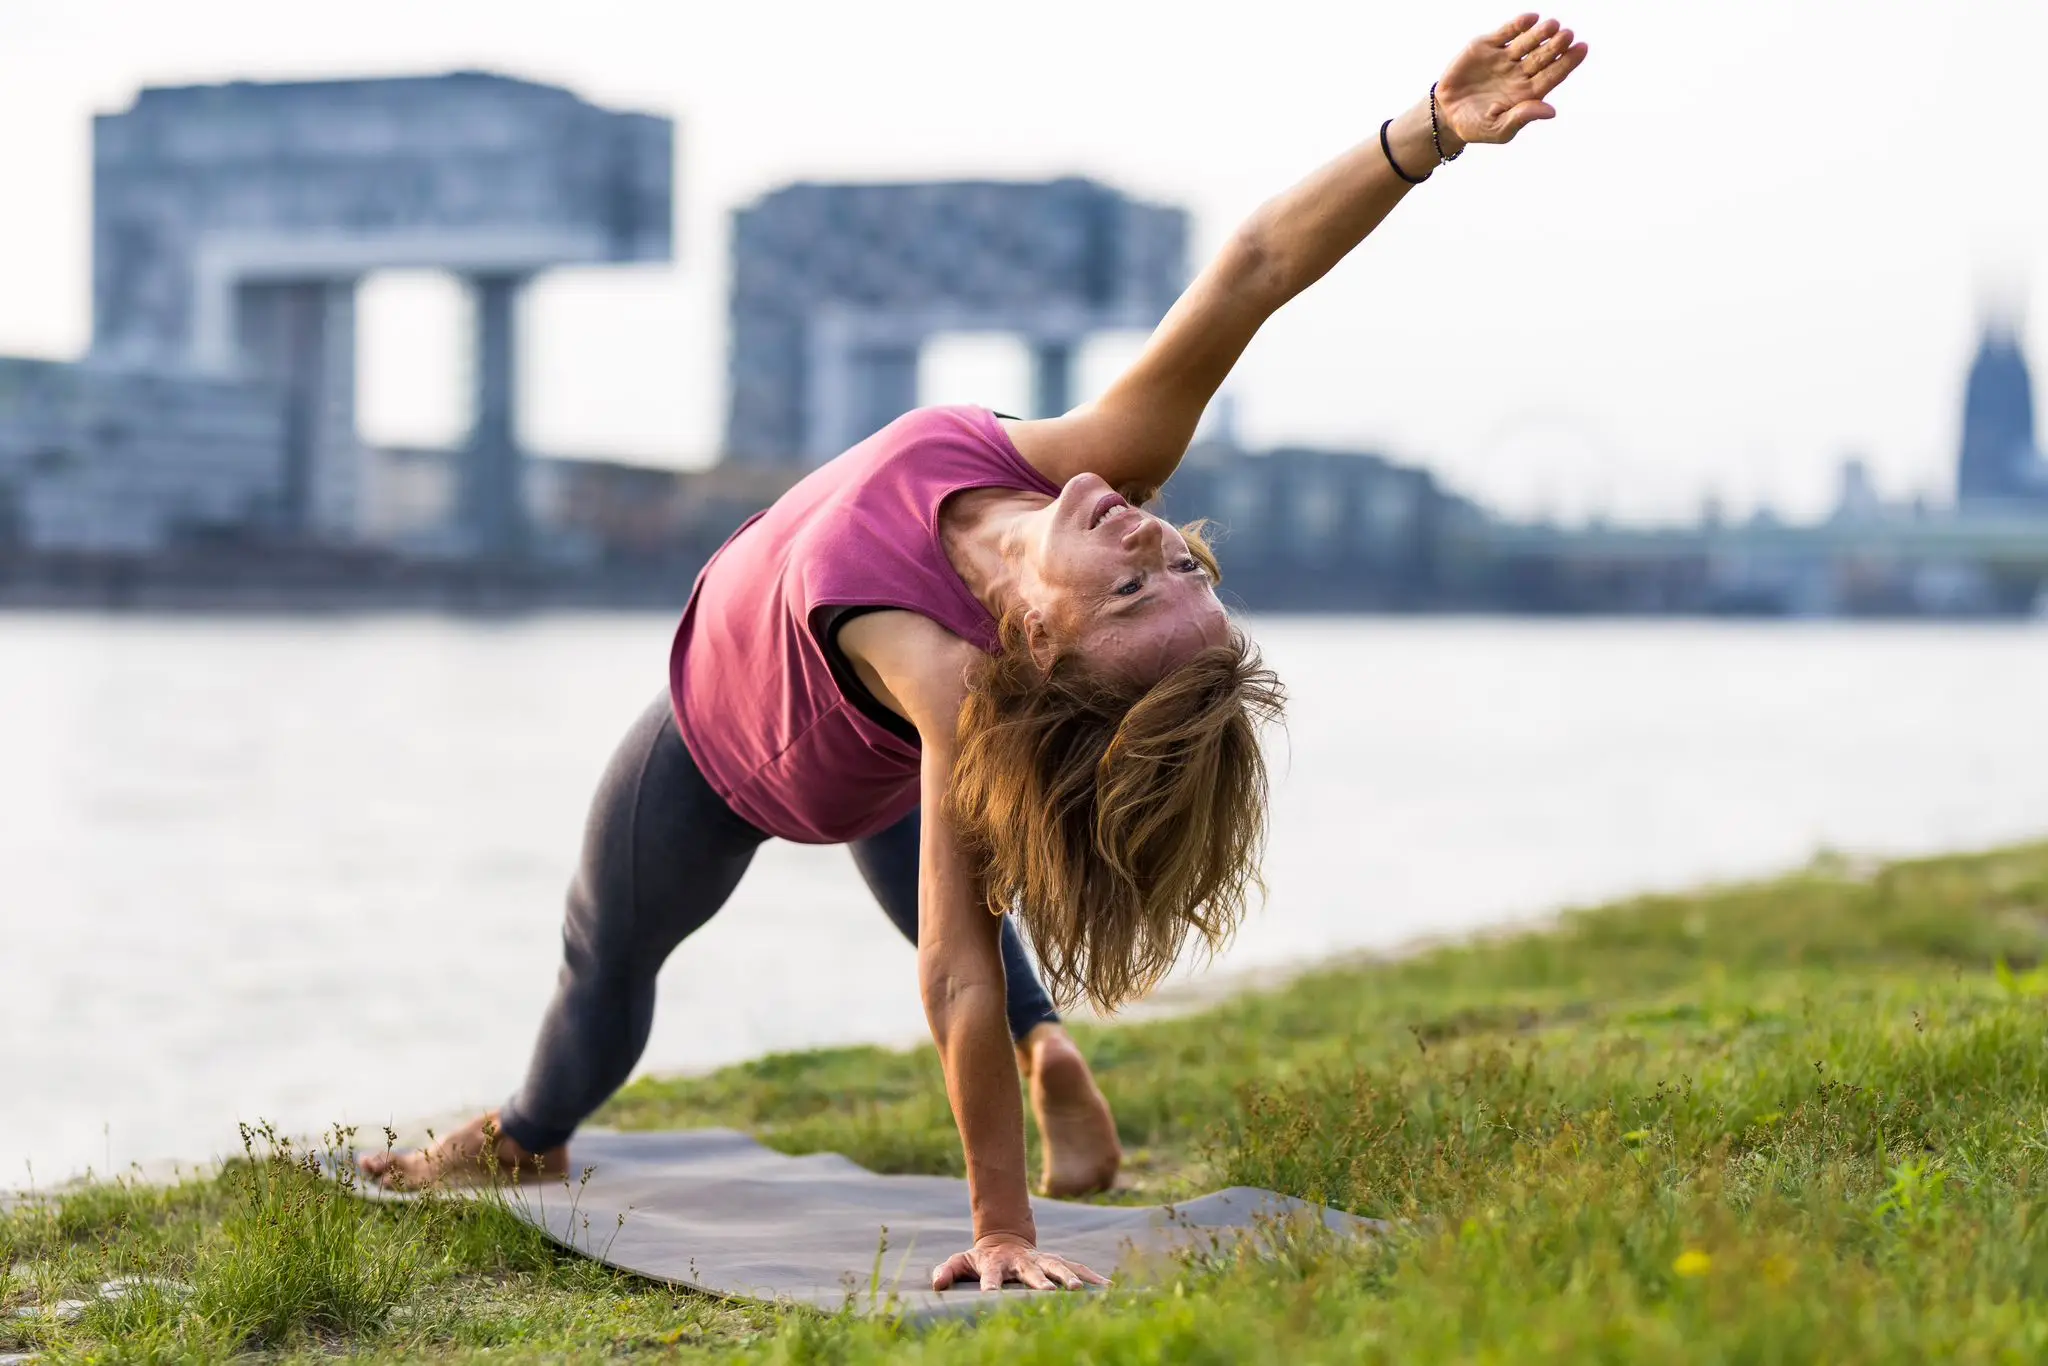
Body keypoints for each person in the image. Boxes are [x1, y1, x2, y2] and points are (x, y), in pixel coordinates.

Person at [362, 14, 1588, 1293]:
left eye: (1129, 585)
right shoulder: (1086, 467)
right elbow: (1256, 267)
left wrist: (1001, 1229)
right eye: (1180, 566)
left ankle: (522, 1133)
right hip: (870, 757)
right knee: (923, 859)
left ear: (1044, 641)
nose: (1152, 534)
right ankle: (1049, 1046)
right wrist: (1427, 133)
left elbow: (949, 968)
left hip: (730, 755)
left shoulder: (946, 678)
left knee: (604, 953)